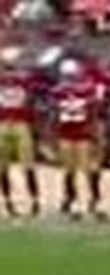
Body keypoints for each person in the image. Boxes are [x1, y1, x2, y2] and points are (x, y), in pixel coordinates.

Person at [51, 59, 108, 221]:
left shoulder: (87, 90)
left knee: (87, 169)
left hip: (83, 134)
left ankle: (94, 201)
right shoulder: (58, 92)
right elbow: (54, 114)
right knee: (69, 170)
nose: (70, 80)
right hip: (66, 134)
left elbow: (94, 112)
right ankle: (73, 200)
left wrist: (95, 133)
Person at [0, 47, 40, 216]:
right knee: (2, 167)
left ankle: (34, 199)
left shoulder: (25, 81)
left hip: (20, 123)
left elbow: (32, 95)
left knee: (28, 165)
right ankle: (8, 200)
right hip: (3, 123)